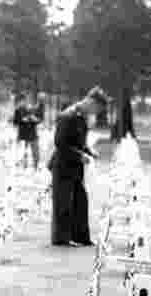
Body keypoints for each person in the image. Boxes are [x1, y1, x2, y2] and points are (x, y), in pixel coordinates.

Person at [48, 86, 109, 247]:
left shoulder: (81, 117)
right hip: (63, 164)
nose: (96, 112)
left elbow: (79, 142)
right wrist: (79, 155)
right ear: (91, 102)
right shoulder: (67, 116)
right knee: (63, 202)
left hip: (75, 165)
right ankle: (61, 239)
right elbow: (60, 143)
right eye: (97, 108)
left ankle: (81, 237)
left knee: (80, 201)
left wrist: (89, 151)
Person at [12, 93, 42, 169]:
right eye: (21, 101)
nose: (23, 102)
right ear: (19, 102)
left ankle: (36, 166)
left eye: (24, 100)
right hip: (22, 134)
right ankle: (24, 166)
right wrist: (22, 120)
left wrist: (34, 119)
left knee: (35, 152)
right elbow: (15, 122)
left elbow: (38, 120)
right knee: (23, 152)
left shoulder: (32, 109)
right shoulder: (17, 110)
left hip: (32, 133)